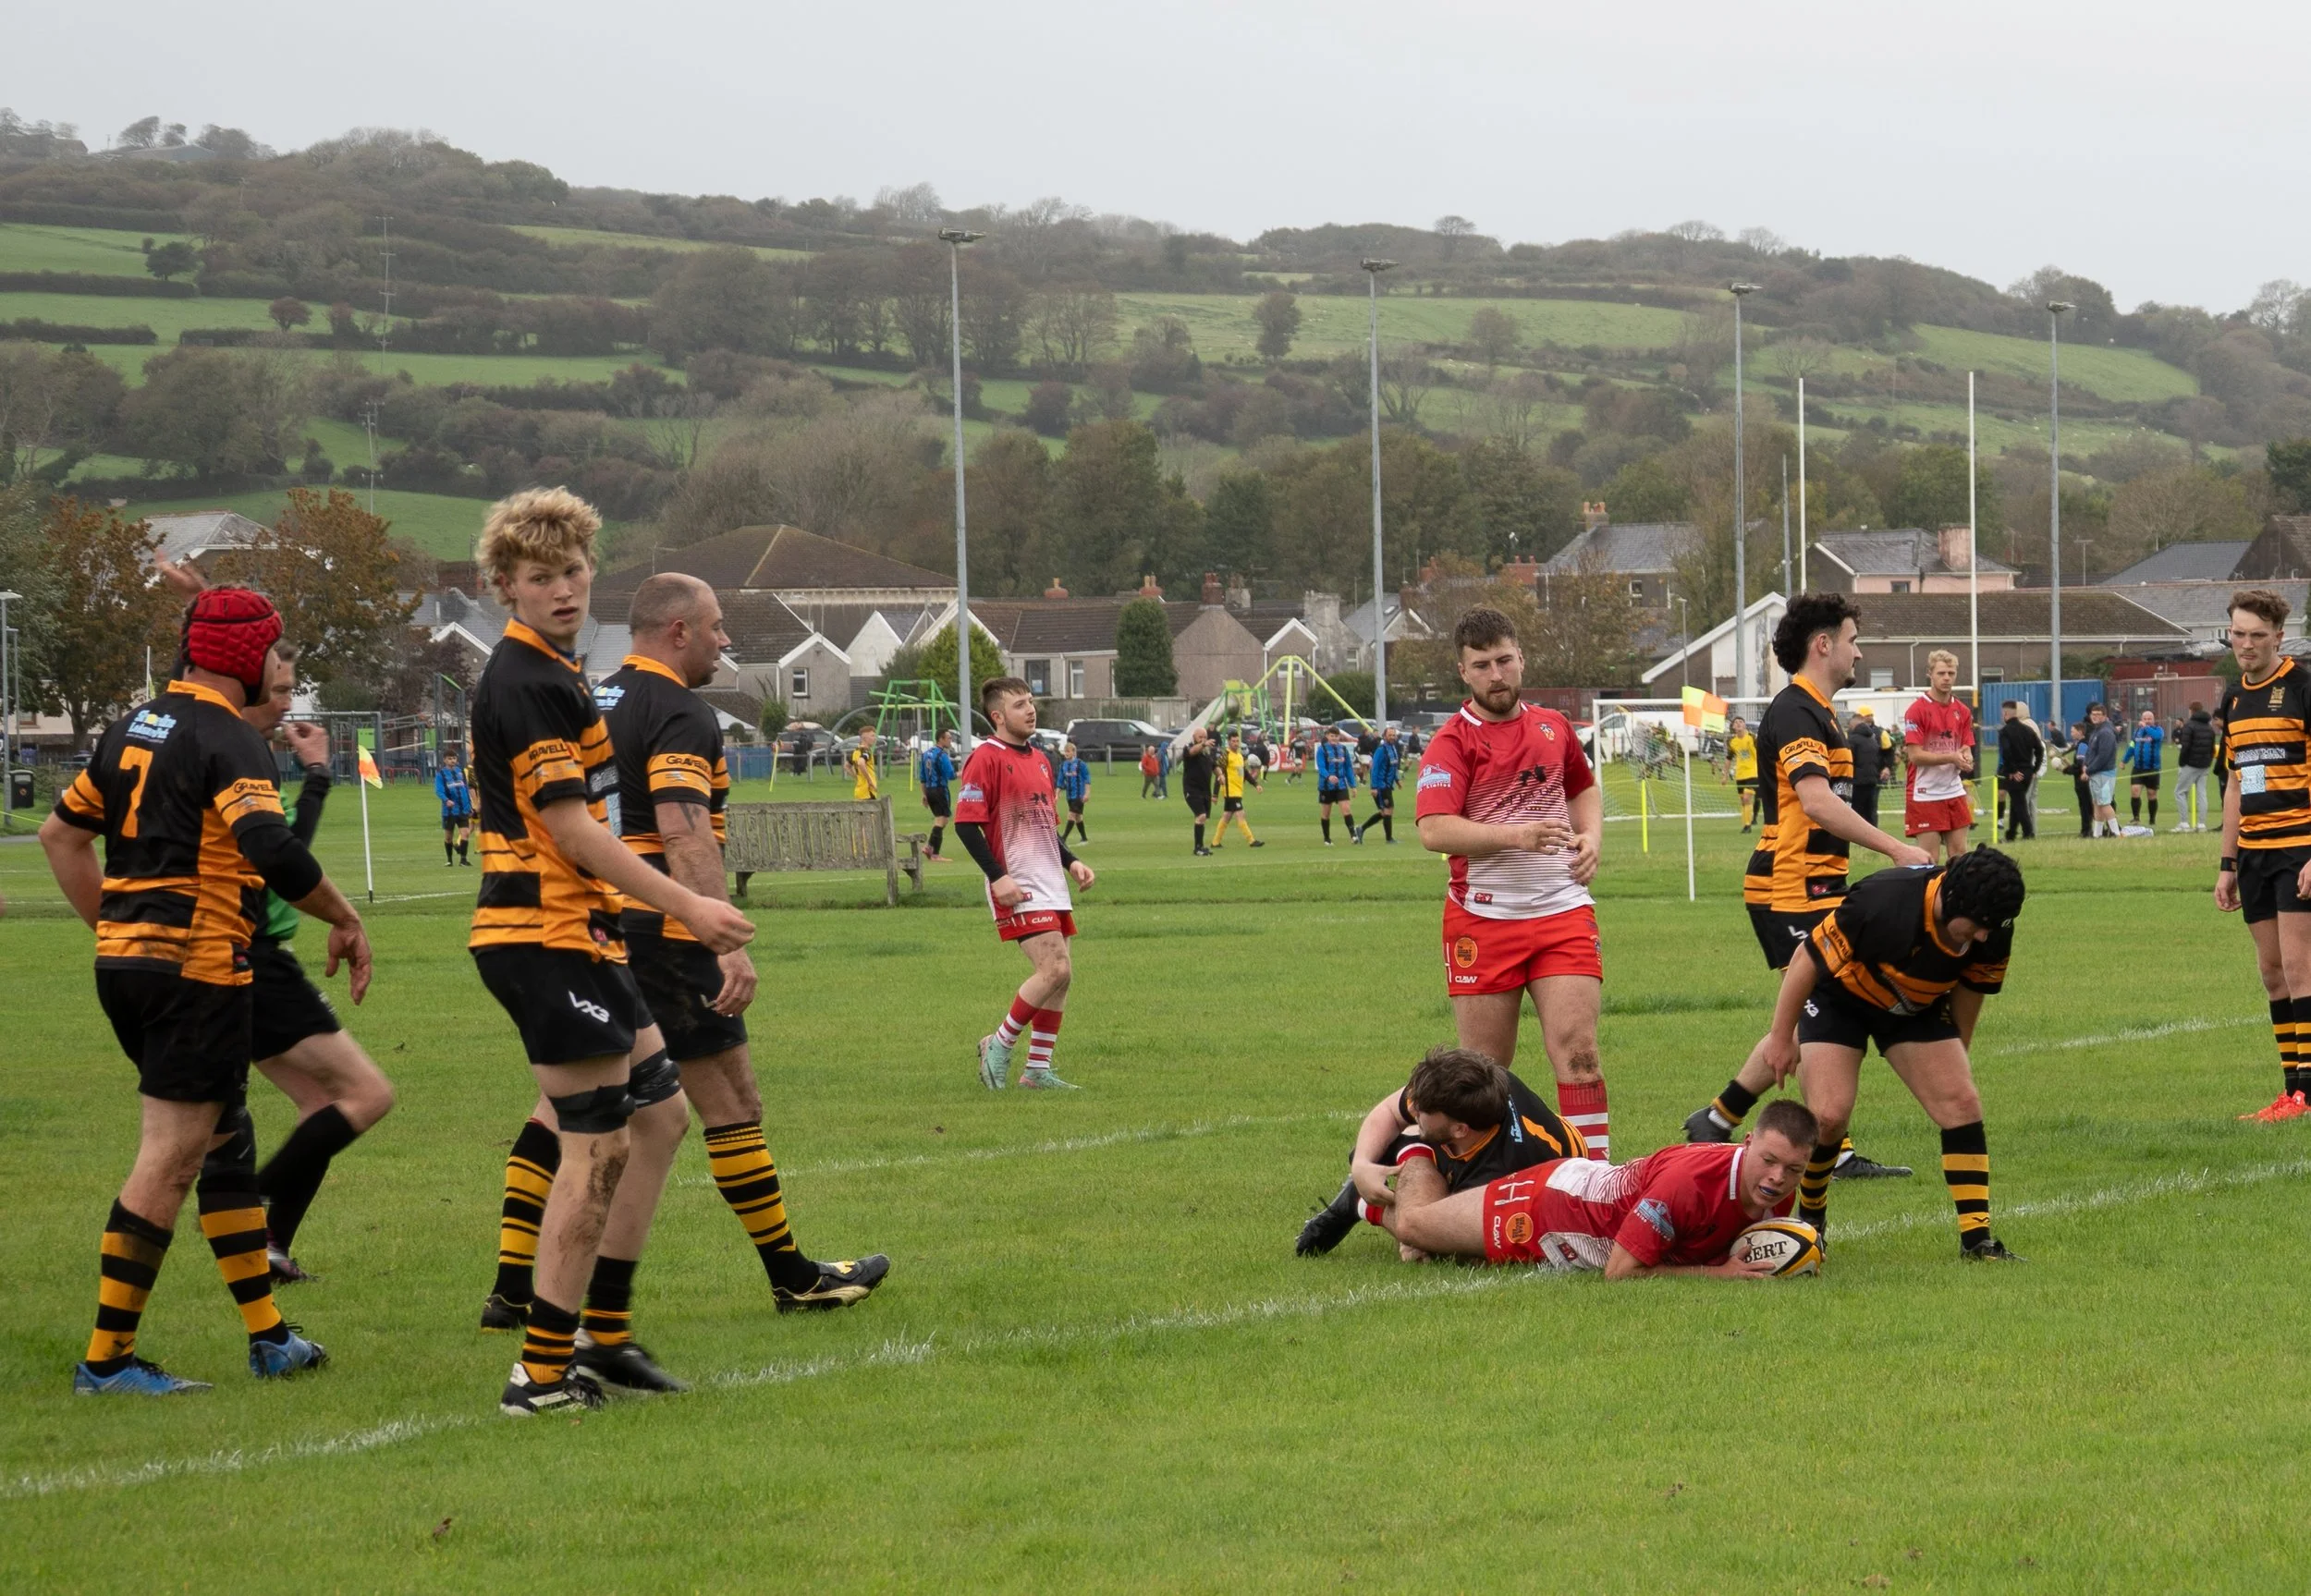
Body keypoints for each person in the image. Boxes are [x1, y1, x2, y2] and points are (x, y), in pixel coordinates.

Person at [463, 489, 753, 1416]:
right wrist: (688, 905)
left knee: (661, 1119)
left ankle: (605, 1332)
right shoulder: (530, 679)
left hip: (577, 935)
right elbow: (572, 828)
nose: (562, 590)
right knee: (596, 1146)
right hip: (542, 935)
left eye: (574, 572)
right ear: (503, 585)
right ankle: (542, 1372)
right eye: (540, 577)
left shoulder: (556, 668)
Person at [41, 585, 366, 1395]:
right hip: (197, 970)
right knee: (173, 1156)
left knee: (227, 1144)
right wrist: (345, 913)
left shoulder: (133, 725)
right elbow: (273, 851)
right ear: (248, 658)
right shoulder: (229, 737)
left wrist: (118, 930)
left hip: (132, 967)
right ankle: (107, 1361)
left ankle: (269, 1338)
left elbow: (60, 835)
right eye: (272, 653)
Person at [577, 574, 886, 1335]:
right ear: (677, 630)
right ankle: (793, 1278)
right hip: (663, 927)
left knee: (570, 1105)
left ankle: (516, 1287)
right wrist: (719, 938)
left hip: (592, 921)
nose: (725, 641)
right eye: (716, 628)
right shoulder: (679, 709)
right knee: (731, 1104)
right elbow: (684, 833)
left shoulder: (589, 703)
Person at [1687, 591, 1931, 1176]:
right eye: (1852, 639)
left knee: (1810, 1012)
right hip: (1789, 886)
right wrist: (1895, 848)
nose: (1858, 651)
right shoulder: (1796, 710)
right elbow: (1817, 803)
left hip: (1816, 884)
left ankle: (1718, 1120)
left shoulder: (1818, 711)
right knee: (1828, 1004)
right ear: (1823, 644)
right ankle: (1830, 1149)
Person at [1749, 849, 2027, 1261]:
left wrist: (1954, 1051)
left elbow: (1970, 992)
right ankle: (1811, 1222)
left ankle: (1978, 1240)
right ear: (1952, 902)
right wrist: (1780, 1036)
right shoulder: (1884, 900)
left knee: (1961, 1102)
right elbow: (1807, 960)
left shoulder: (1994, 923)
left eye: (1992, 928)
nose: (1985, 936)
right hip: (1840, 999)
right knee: (1829, 1116)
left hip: (1914, 1006)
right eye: (1979, 927)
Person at [1414, 606, 1613, 1159]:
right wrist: (1517, 837)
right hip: (1483, 918)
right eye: (1482, 665)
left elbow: (1584, 789)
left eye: (1504, 660)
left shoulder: (1553, 726)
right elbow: (1434, 830)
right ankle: (1482, 1185)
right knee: (1481, 1076)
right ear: (1464, 672)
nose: (1496, 674)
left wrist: (1592, 836)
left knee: (1579, 1053)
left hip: (1562, 912)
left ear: (1521, 657)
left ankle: (1594, 1180)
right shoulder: (1452, 742)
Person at [240, 653, 397, 1285]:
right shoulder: (235, 757)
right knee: (367, 1094)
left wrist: (313, 776)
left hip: (242, 957)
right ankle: (245, 1204)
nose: (286, 706)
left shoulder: (235, 757)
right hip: (252, 957)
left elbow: (284, 853)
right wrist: (318, 776)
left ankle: (270, 1242)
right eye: (278, 692)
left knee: (318, 1103)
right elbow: (284, 859)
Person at [1388, 1096, 1823, 1278]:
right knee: (1413, 1227)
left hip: (1583, 1185)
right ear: (1747, 1143)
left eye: (1793, 1169)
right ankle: (1411, 1152)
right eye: (1768, 1161)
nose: (1777, 1178)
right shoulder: (1687, 1184)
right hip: (1551, 1209)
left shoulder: (1777, 1185)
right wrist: (1717, 1276)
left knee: (1430, 1249)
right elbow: (1619, 1272)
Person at [1294, 1047, 1585, 1257]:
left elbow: (1476, 1250)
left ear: (1460, 1129)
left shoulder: (1499, 1171)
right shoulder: (1476, 1084)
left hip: (1530, 1183)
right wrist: (1361, 1166)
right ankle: (1374, 1182)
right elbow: (1388, 1112)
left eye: (1424, 1110)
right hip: (1472, 1149)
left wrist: (1425, 1239)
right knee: (1398, 1138)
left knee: (1427, 1239)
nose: (1414, 1109)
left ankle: (1362, 1204)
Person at [959, 677, 1097, 1090]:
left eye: (1032, 701)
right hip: (1016, 881)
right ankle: (998, 1045)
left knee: (1063, 974)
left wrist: (1071, 863)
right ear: (998, 716)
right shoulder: (985, 757)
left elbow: (1045, 827)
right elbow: (967, 827)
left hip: (1050, 879)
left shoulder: (1040, 759)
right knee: (1052, 967)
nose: (1031, 709)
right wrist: (998, 877)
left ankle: (1037, 1070)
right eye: (1020, 705)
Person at [2215, 589, 2311, 1121]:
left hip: (2299, 848)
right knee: (2273, 973)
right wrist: (2227, 864)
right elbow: (2237, 784)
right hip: (2253, 854)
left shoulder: (2302, 686)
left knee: (2302, 971)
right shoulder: (2235, 699)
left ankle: (2307, 1094)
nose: (2246, 645)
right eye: (2238, 634)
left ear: (2279, 633)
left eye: (2257, 634)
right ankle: (2290, 1090)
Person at [1901, 651, 1975, 862]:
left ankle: (1958, 895)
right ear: (1930, 674)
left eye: (1951, 673)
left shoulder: (1962, 711)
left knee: (1959, 856)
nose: (1947, 678)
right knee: (1929, 860)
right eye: (1941, 673)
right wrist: (1952, 757)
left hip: (1952, 789)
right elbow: (1915, 756)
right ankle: (1928, 896)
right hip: (1924, 792)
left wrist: (1966, 758)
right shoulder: (1917, 710)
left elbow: (1965, 747)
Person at [1996, 701, 2042, 843]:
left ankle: (2029, 833)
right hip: (2027, 771)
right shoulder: (2028, 730)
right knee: (2016, 803)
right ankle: (2011, 834)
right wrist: (2035, 768)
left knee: (2020, 804)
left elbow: (2007, 752)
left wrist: (2013, 770)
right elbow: (2039, 749)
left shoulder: (2005, 732)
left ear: (2005, 714)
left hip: (2014, 772)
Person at [1354, 723, 1403, 844]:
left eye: (1394, 735)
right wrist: (1374, 787)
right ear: (1384, 736)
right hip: (1381, 786)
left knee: (1385, 811)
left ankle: (1361, 829)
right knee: (1387, 810)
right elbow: (1374, 769)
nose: (1392, 737)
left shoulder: (1393, 748)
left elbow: (1394, 766)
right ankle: (1389, 839)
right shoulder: (1381, 750)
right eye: (1390, 735)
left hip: (1387, 785)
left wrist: (1397, 780)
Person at [1214, 728, 1263, 849]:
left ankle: (1215, 842)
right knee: (1241, 815)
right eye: (1233, 741)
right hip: (1230, 792)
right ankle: (1251, 840)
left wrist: (1256, 784)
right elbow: (1219, 774)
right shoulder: (1226, 756)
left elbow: (1244, 774)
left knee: (1227, 816)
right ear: (1229, 742)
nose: (1236, 743)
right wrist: (1215, 794)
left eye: (1237, 741)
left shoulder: (1240, 757)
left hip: (1238, 791)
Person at [2173, 702, 2217, 833]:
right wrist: (2208, 761)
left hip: (2191, 764)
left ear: (2191, 711)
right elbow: (2212, 748)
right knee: (2201, 794)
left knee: (2180, 792)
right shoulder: (2209, 728)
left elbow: (2185, 746)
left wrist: (2182, 762)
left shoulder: (2189, 726)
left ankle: (2184, 823)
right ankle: (2201, 824)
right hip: (2205, 765)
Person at [2079, 702, 2120, 837]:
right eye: (2093, 714)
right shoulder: (2097, 730)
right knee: (2097, 803)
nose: (2095, 717)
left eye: (2098, 714)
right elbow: (2091, 752)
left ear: (2104, 716)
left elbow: (2103, 756)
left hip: (2104, 773)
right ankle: (2097, 834)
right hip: (2096, 772)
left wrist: (2088, 770)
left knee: (2105, 803)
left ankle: (2115, 832)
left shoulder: (2106, 732)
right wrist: (2085, 764)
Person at [1313, 725, 1358, 845]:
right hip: (1326, 787)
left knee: (1346, 809)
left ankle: (1353, 835)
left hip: (1341, 785)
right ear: (1327, 736)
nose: (1334, 738)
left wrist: (1353, 785)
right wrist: (1329, 776)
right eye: (1332, 736)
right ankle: (1327, 839)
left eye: (1336, 736)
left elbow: (1348, 767)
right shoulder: (1322, 750)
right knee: (1326, 813)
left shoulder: (1343, 749)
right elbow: (1321, 767)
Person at [1845, 706, 1888, 830]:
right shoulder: (1873, 738)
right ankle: (1874, 833)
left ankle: (1858, 833)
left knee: (1857, 810)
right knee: (1871, 809)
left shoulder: (1852, 739)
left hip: (1857, 780)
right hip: (1873, 778)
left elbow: (1849, 759)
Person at [2124, 708, 2166, 830]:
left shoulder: (2158, 730)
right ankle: (2136, 817)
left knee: (2151, 794)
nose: (2147, 721)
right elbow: (2132, 746)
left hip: (2153, 769)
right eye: (2145, 719)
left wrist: (2146, 727)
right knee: (2135, 791)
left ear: (2153, 720)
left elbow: (2157, 737)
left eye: (2149, 719)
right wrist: (2124, 760)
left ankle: (2152, 819)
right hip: (2138, 768)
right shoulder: (2137, 732)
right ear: (2141, 719)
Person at [919, 727, 958, 859]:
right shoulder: (942, 755)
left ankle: (931, 849)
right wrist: (963, 773)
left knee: (941, 819)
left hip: (929, 790)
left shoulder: (926, 754)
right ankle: (933, 852)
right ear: (941, 739)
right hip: (940, 790)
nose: (950, 740)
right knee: (942, 820)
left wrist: (924, 795)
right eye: (949, 738)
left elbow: (922, 777)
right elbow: (951, 775)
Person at [1180, 725, 1216, 856]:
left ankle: (1200, 846)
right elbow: (1192, 752)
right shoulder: (1188, 747)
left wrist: (1221, 775)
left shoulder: (1207, 752)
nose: (1203, 739)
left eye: (1205, 737)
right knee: (1201, 815)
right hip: (1192, 789)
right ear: (1194, 737)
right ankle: (1197, 848)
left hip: (1205, 790)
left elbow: (1213, 765)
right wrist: (1203, 744)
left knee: (1202, 818)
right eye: (1200, 737)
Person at [436, 754, 474, 866]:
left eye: (454, 758)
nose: (452, 761)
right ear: (444, 760)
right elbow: (439, 790)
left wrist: (470, 805)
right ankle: (449, 860)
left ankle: (463, 859)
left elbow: (465, 789)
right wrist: (446, 800)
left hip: (463, 809)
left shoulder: (461, 772)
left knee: (466, 833)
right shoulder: (441, 774)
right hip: (450, 811)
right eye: (449, 758)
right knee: (448, 837)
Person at [1726, 714, 1760, 832]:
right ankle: (1746, 824)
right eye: (1736, 722)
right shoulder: (1732, 742)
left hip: (1753, 772)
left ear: (1744, 725)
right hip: (1740, 774)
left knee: (1747, 798)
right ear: (1733, 727)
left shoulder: (1752, 737)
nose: (1739, 723)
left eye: (1741, 721)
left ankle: (1748, 825)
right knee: (1742, 800)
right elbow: (1729, 758)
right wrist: (1724, 775)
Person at [1056, 740, 1091, 844]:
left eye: (1068, 751)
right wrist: (1057, 793)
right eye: (1065, 752)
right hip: (1069, 796)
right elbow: (1060, 781)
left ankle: (1063, 838)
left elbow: (1087, 779)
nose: (1066, 754)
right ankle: (1084, 838)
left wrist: (1087, 793)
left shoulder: (1080, 764)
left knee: (1071, 815)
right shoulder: (1063, 765)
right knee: (1078, 817)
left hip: (1079, 795)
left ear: (1074, 752)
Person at [847, 726, 880, 801]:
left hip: (860, 790)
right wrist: (870, 781)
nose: (874, 738)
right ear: (865, 737)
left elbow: (846, 766)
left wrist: (857, 777)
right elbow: (861, 763)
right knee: (872, 813)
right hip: (868, 791)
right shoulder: (866, 751)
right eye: (872, 736)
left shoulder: (856, 751)